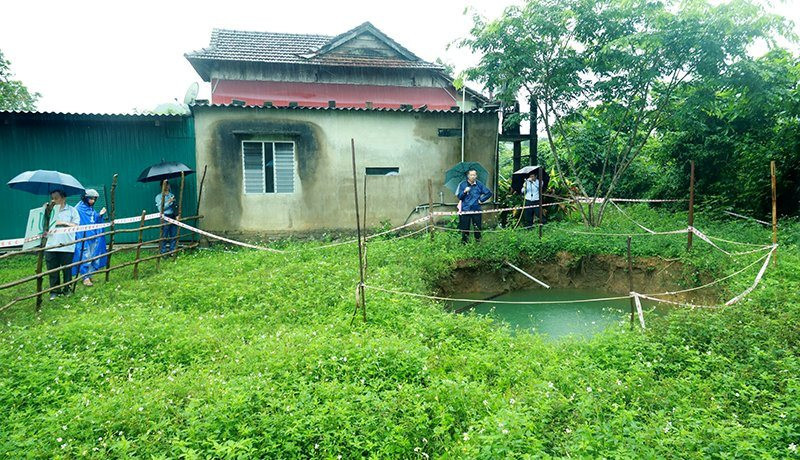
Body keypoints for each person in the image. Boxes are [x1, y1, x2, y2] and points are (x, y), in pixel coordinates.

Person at [43, 190, 80, 300]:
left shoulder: (72, 211)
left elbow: (76, 225)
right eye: (52, 198)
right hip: (50, 245)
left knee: (66, 269)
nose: (53, 200)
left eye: (56, 197)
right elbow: (42, 225)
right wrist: (44, 211)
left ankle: (67, 289)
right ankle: (54, 291)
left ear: (64, 198)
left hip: (67, 245)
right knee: (53, 270)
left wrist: (64, 223)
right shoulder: (49, 211)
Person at [72, 189, 107, 287]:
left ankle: (89, 274)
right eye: (90, 199)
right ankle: (85, 277)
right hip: (83, 236)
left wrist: (100, 215)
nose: (93, 201)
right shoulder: (78, 209)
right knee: (85, 256)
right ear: (85, 198)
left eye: (94, 199)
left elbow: (93, 219)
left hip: (92, 235)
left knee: (92, 255)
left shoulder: (91, 208)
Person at [455, 169, 493, 244]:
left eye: (474, 175)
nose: (473, 176)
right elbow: (459, 197)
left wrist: (481, 200)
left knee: (477, 227)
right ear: (468, 176)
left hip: (476, 209)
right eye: (471, 175)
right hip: (465, 209)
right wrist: (464, 191)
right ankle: (464, 243)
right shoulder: (462, 184)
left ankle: (478, 242)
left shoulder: (479, 184)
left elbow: (489, 193)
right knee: (465, 228)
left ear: (476, 176)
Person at [155, 182, 177, 255]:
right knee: (164, 235)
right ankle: (163, 252)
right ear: (162, 186)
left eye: (168, 185)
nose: (167, 186)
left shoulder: (172, 195)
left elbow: (175, 206)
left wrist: (176, 214)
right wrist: (169, 202)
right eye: (165, 185)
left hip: (172, 216)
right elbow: (160, 209)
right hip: (165, 217)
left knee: (173, 234)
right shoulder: (158, 197)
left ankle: (172, 251)